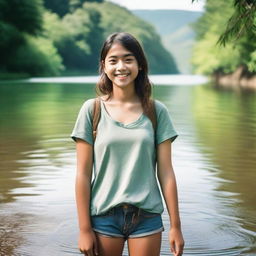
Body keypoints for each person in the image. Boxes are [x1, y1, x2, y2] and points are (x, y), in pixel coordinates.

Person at [71, 32, 184, 256]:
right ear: (104, 65)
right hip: (103, 217)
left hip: (147, 217)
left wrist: (176, 226)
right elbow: (82, 174)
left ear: (140, 65)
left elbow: (166, 173)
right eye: (113, 60)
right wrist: (84, 229)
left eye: (128, 59)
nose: (121, 66)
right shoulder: (91, 110)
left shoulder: (156, 111)